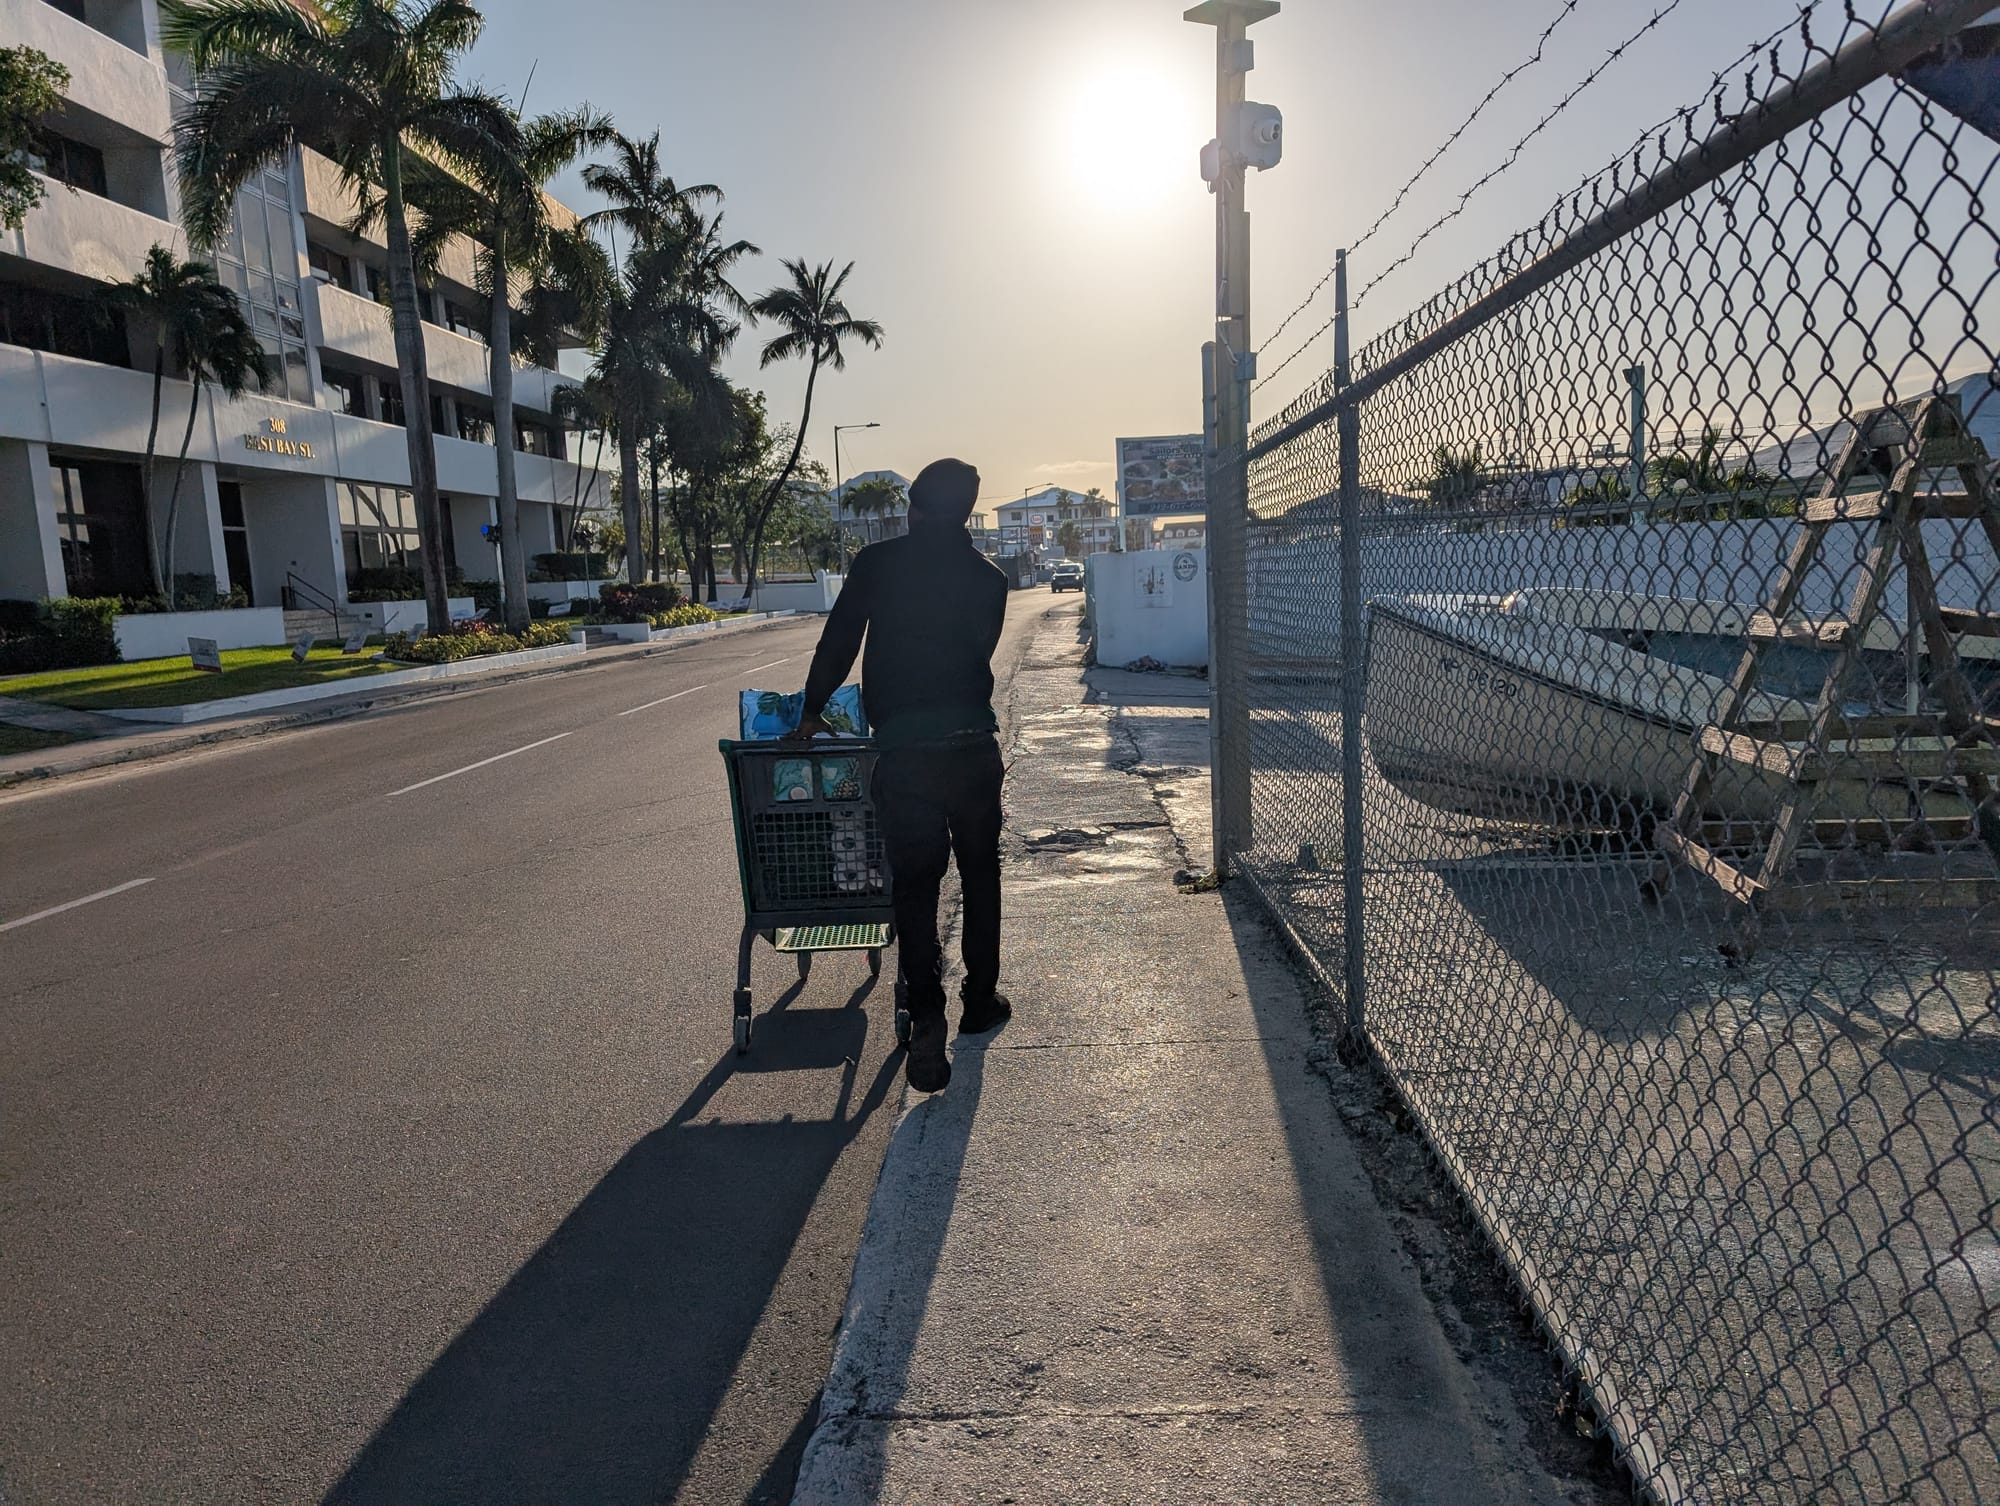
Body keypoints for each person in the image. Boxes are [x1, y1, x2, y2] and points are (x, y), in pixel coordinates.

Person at [793, 457, 1010, 1092]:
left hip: (907, 752)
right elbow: (977, 651)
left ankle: (927, 1013)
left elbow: (839, 641)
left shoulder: (877, 564)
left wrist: (811, 710)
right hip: (972, 747)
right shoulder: (990, 578)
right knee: (980, 873)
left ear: (913, 509)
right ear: (966, 514)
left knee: (916, 886)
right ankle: (980, 999)